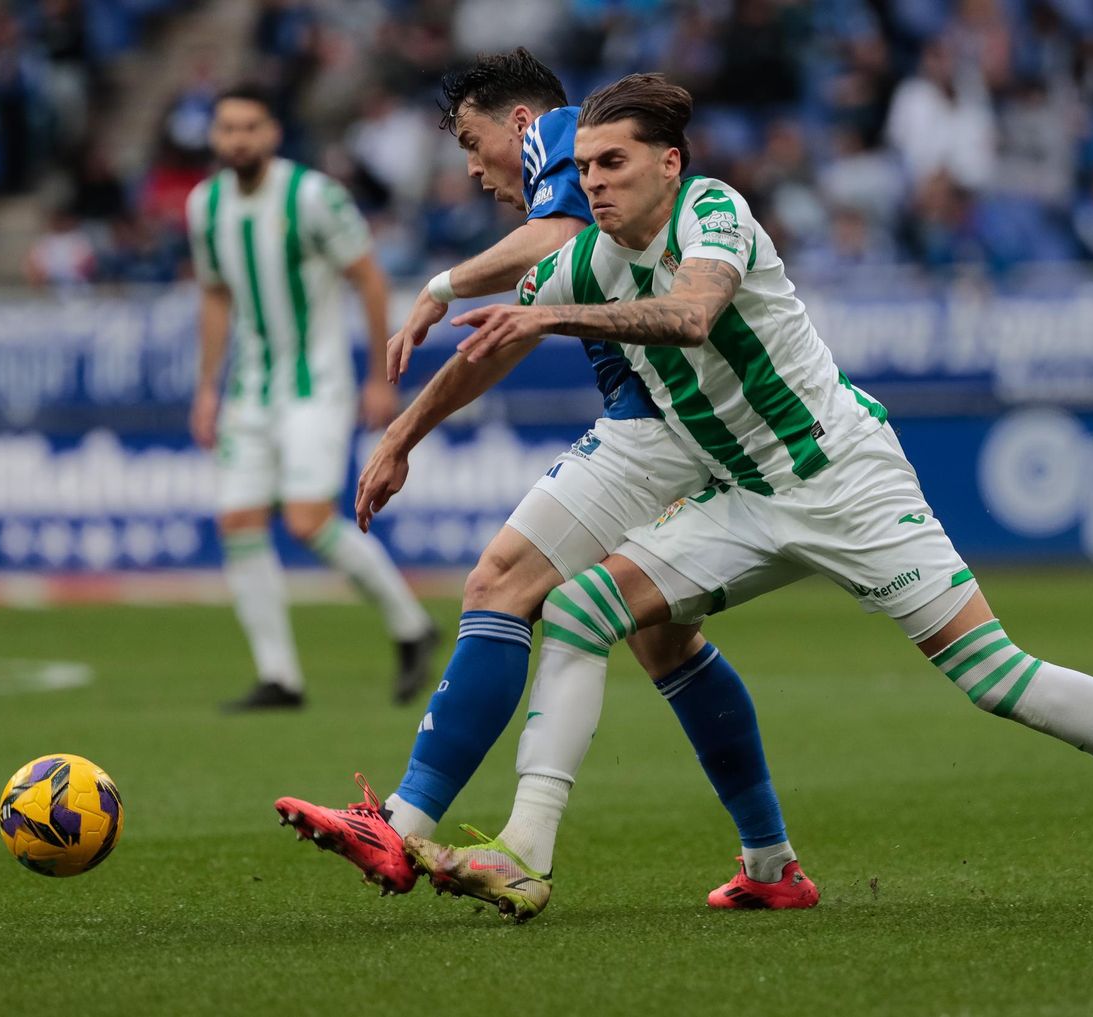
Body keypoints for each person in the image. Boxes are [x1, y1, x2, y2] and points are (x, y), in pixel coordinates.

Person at [404, 73, 1093, 922]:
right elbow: (494, 342)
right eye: (586, 167)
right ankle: (526, 851)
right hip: (747, 498)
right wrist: (402, 433)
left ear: (669, 163)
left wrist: (547, 313)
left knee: (995, 677)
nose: (595, 182)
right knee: (581, 609)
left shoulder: (713, 212)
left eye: (614, 162)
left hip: (845, 483)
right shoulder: (589, 262)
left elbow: (692, 314)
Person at [274, 51, 815, 911]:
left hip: (657, 427)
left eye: (471, 140)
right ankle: (772, 863)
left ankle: (402, 824)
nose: (471, 168)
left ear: (521, 123)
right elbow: (514, 333)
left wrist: (440, 285)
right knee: (665, 644)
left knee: (500, 582)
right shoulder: (585, 205)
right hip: (696, 429)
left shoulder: (562, 137)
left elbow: (553, 243)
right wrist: (406, 430)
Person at [185, 84, 437, 711]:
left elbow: (369, 278)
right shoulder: (204, 205)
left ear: (272, 132)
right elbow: (215, 295)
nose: (238, 139)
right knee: (238, 521)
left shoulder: (313, 196)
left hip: (314, 386)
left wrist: (378, 378)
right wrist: (207, 386)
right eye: (227, 128)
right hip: (249, 389)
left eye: (250, 127)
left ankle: (411, 625)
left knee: (306, 520)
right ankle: (280, 677)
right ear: (214, 137)